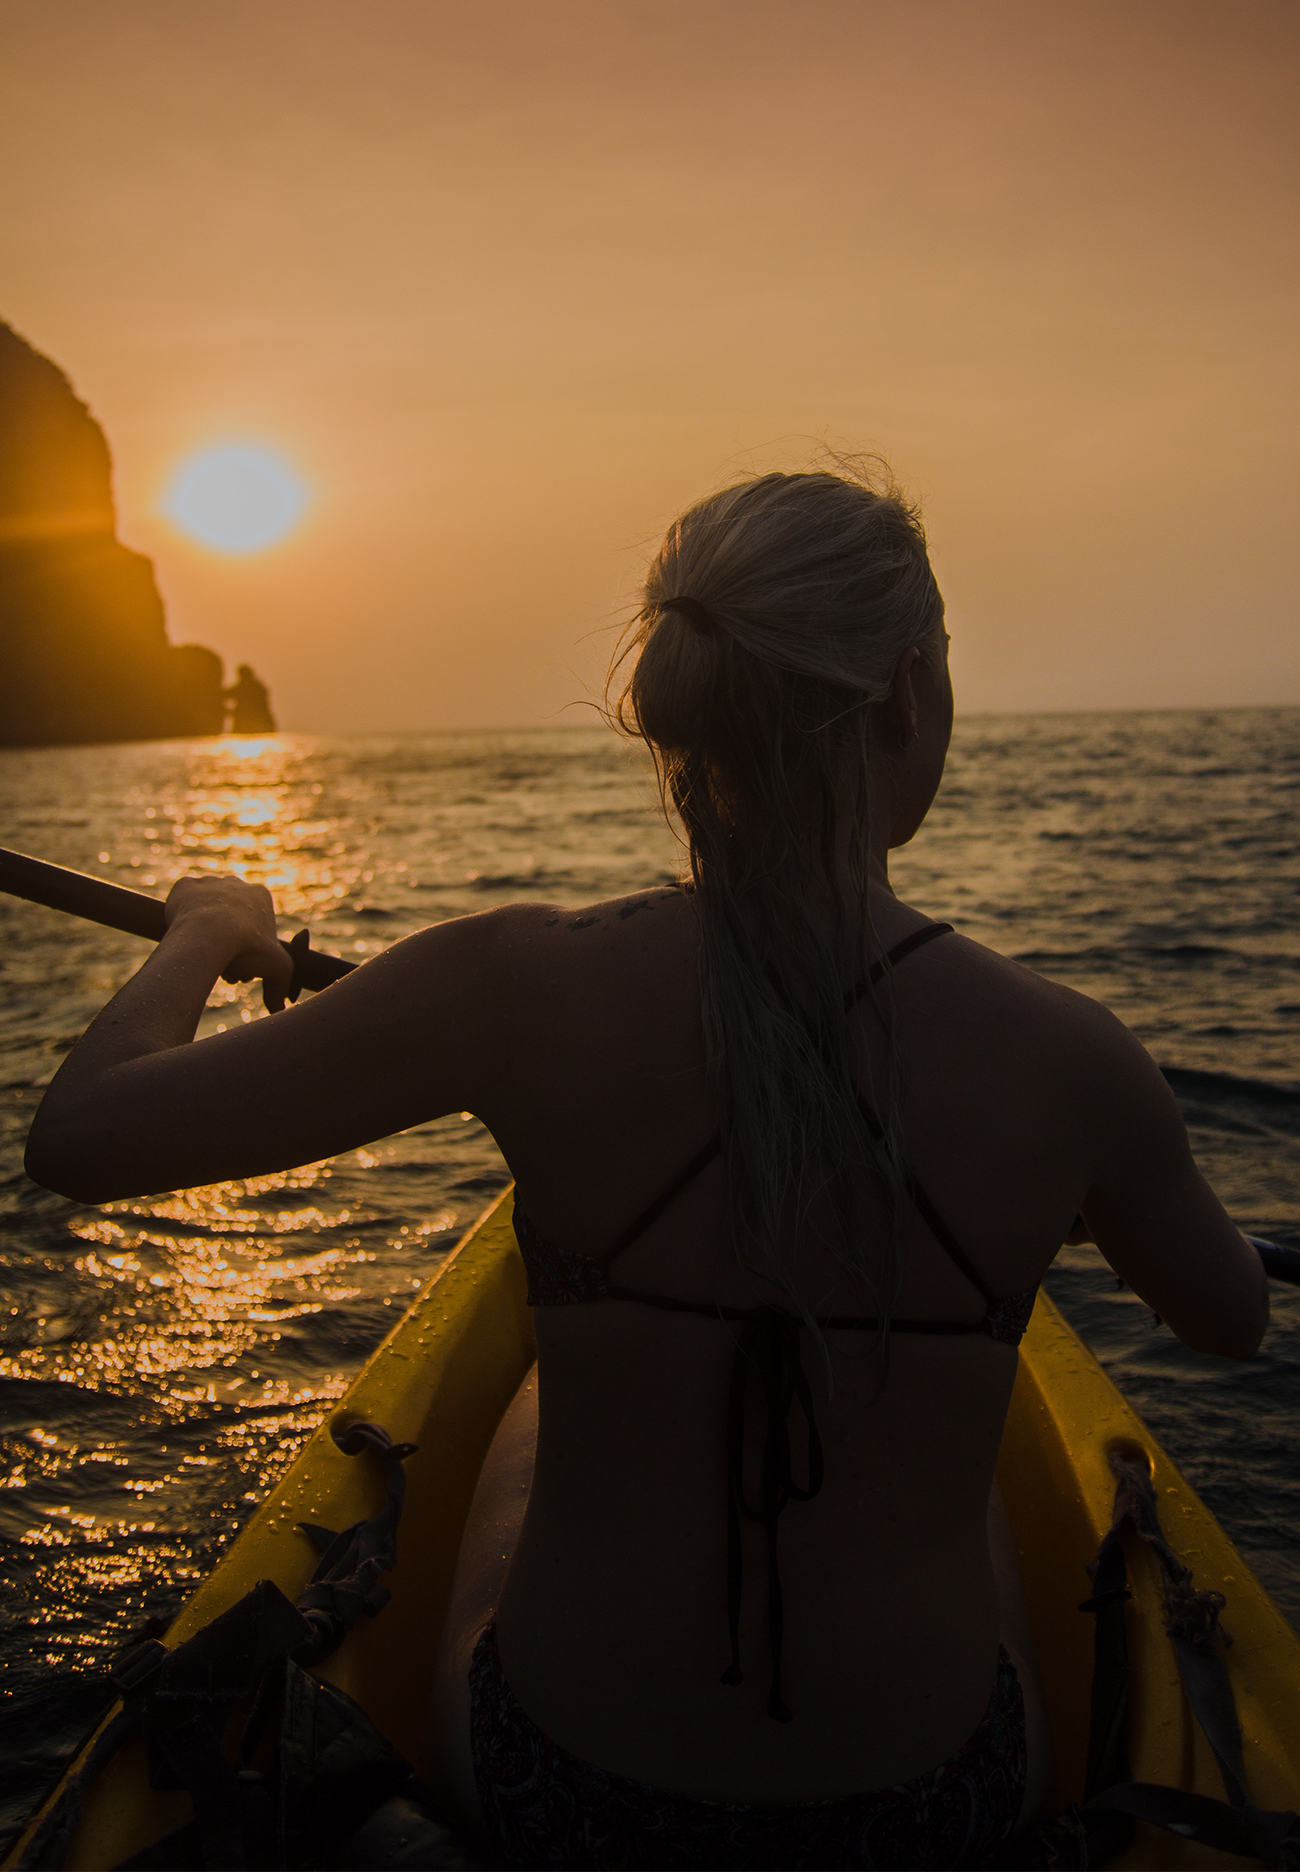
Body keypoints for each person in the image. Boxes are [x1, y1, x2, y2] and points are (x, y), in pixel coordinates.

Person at [25, 467, 1267, 1871]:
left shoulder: (514, 986)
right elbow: (1233, 1319)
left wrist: (202, 928)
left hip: (568, 1796)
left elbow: (82, 1136)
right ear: (908, 695)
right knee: (963, 1460)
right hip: (929, 1808)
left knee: (545, 1393)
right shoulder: (1072, 1060)